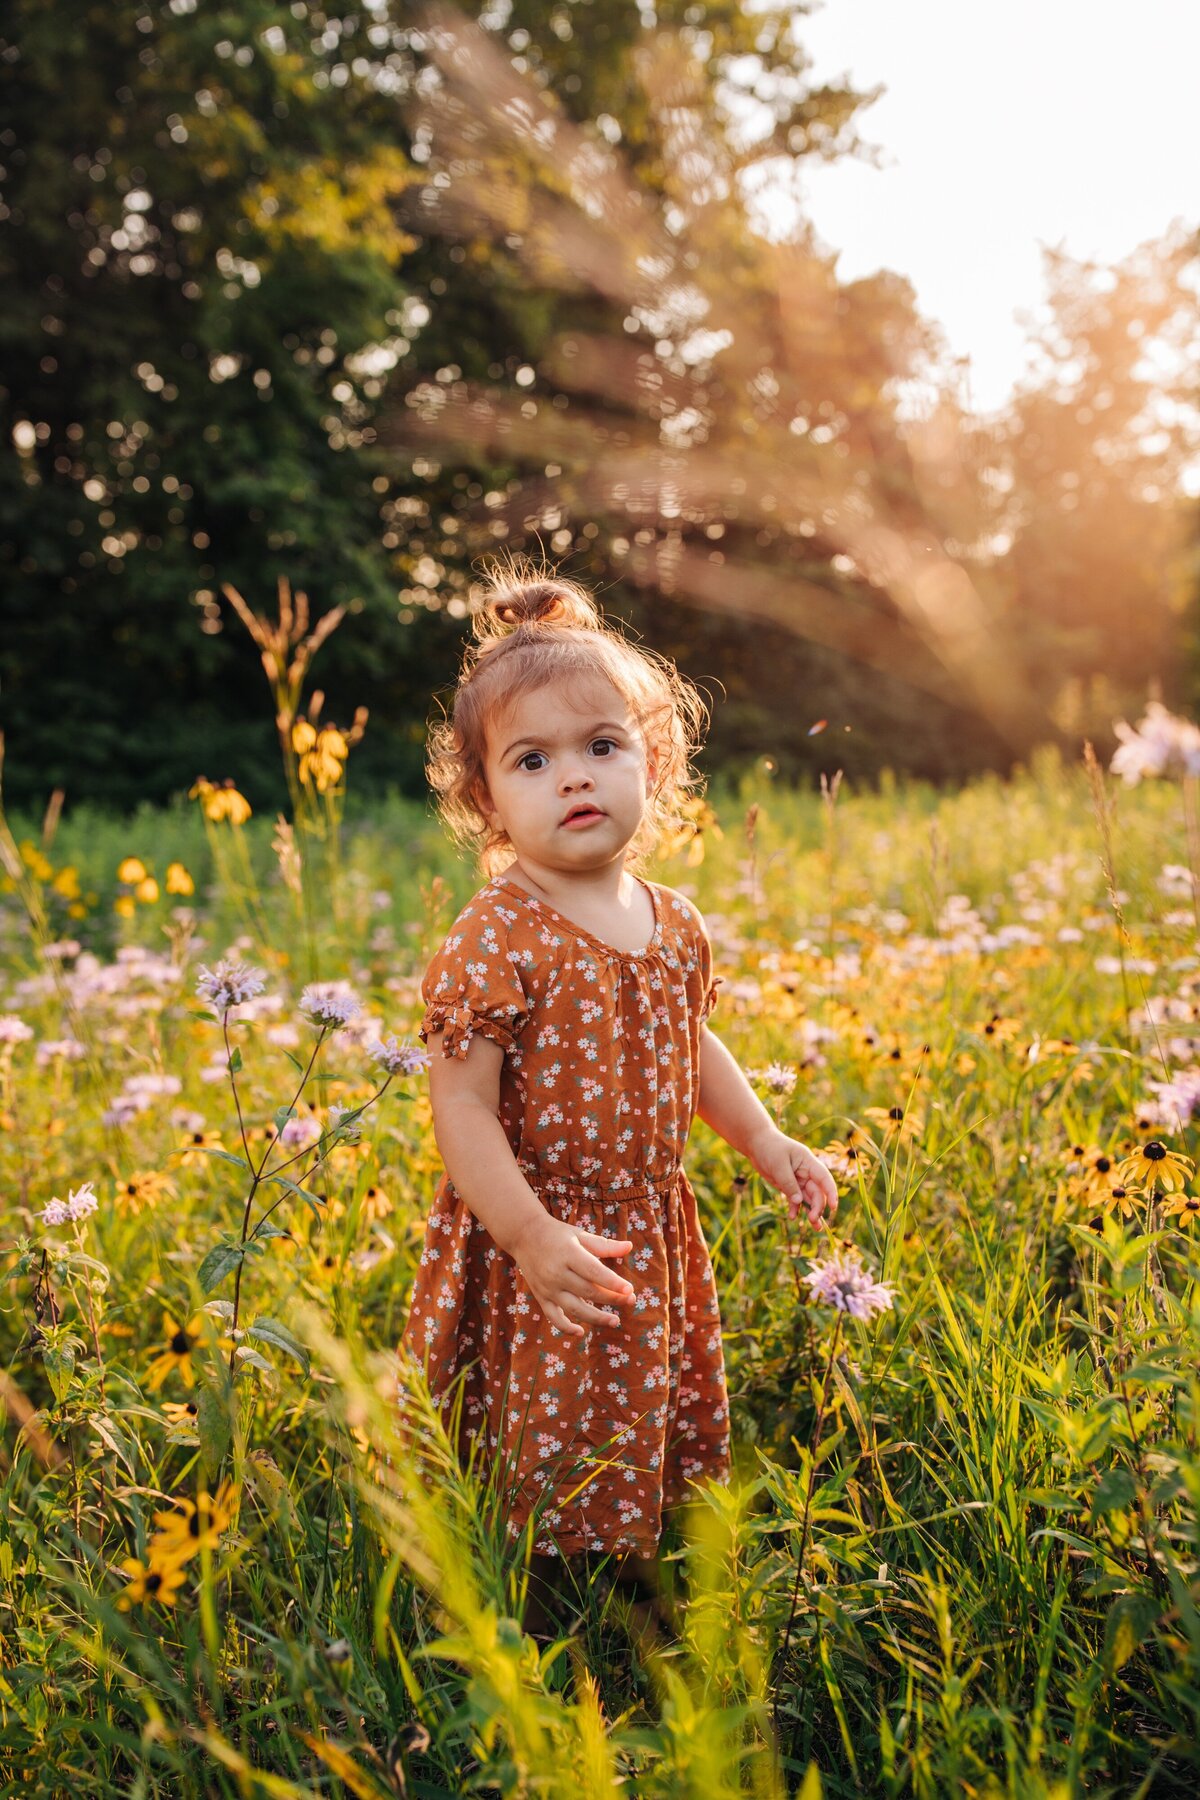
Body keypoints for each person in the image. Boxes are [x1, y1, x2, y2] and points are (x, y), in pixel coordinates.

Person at [399, 555, 838, 1645]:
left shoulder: (673, 920)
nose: (574, 778)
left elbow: (689, 1046)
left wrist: (765, 1138)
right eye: (532, 759)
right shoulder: (497, 935)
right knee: (533, 1424)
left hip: (646, 1220)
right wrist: (530, 1231)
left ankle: (631, 1565)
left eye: (602, 746)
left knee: (640, 1403)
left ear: (657, 759)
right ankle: (530, 1602)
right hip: (533, 1230)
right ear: (485, 797)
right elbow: (462, 1109)